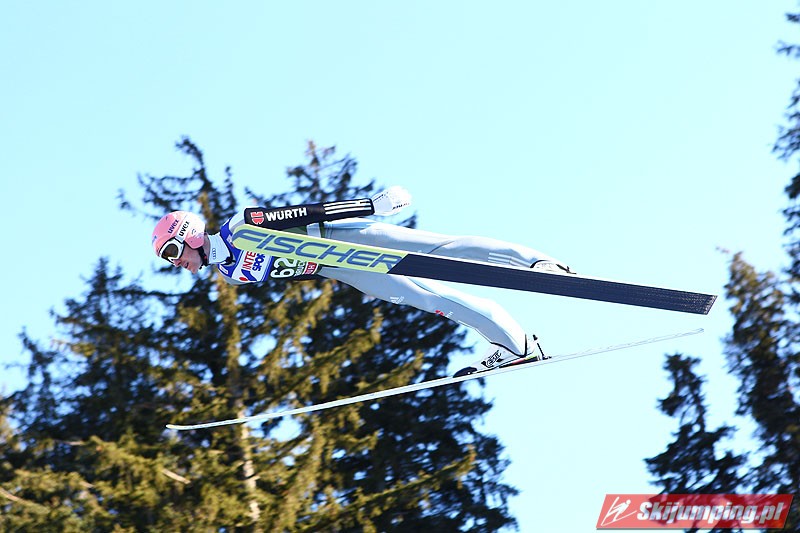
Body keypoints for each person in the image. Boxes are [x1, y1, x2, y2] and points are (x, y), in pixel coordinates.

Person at [151, 187, 575, 376]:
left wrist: (372, 205)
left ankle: (536, 263)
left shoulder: (241, 226)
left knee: (439, 249)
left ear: (190, 234)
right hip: (342, 269)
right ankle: (516, 345)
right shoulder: (229, 273)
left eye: (172, 251)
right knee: (431, 299)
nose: (176, 263)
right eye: (168, 259)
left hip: (343, 237)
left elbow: (308, 212)